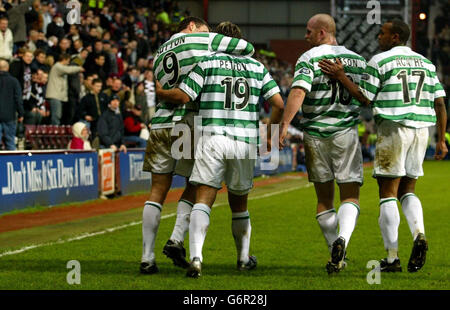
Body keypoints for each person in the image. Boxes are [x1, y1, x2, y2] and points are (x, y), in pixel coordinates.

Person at [155, 21, 284, 278]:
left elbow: (183, 96)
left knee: (203, 197)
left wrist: (161, 91)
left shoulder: (207, 63)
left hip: (212, 137)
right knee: (240, 203)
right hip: (245, 141)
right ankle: (243, 259)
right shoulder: (257, 66)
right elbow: (279, 102)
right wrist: (271, 131)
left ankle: (196, 258)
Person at [318, 19, 448, 272]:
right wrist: (441, 139)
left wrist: (341, 76)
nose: (378, 37)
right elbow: (440, 103)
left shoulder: (380, 61)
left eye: (383, 33)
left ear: (395, 37)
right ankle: (419, 233)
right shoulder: (427, 63)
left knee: (387, 192)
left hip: (393, 128)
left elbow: (364, 98)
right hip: (422, 130)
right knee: (408, 189)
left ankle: (391, 258)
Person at [140, 16, 256, 275]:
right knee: (195, 185)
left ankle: (147, 257)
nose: (206, 36)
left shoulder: (160, 50)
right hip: (187, 121)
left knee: (157, 191)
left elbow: (161, 84)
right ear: (192, 26)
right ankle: (176, 238)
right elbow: (247, 48)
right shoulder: (201, 39)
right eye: (204, 30)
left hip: (160, 122)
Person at [279, 14, 366, 274]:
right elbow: (366, 98)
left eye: (308, 32)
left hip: (315, 134)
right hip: (346, 134)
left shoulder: (309, 58)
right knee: (350, 195)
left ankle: (334, 250)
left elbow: (298, 91)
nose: (305, 37)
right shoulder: (358, 60)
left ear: (321, 32)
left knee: (324, 199)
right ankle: (343, 240)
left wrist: (284, 124)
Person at [45, 53, 84, 125]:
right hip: (54, 96)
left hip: (59, 96)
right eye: (68, 61)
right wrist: (79, 68)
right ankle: (54, 132)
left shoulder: (60, 68)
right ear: (64, 59)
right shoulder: (57, 66)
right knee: (56, 116)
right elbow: (68, 70)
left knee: (58, 115)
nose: (68, 63)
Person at [0, 59, 24, 150]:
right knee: (10, 142)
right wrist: (21, 113)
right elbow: (18, 99)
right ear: (8, 68)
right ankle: (12, 162)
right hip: (9, 116)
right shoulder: (14, 81)